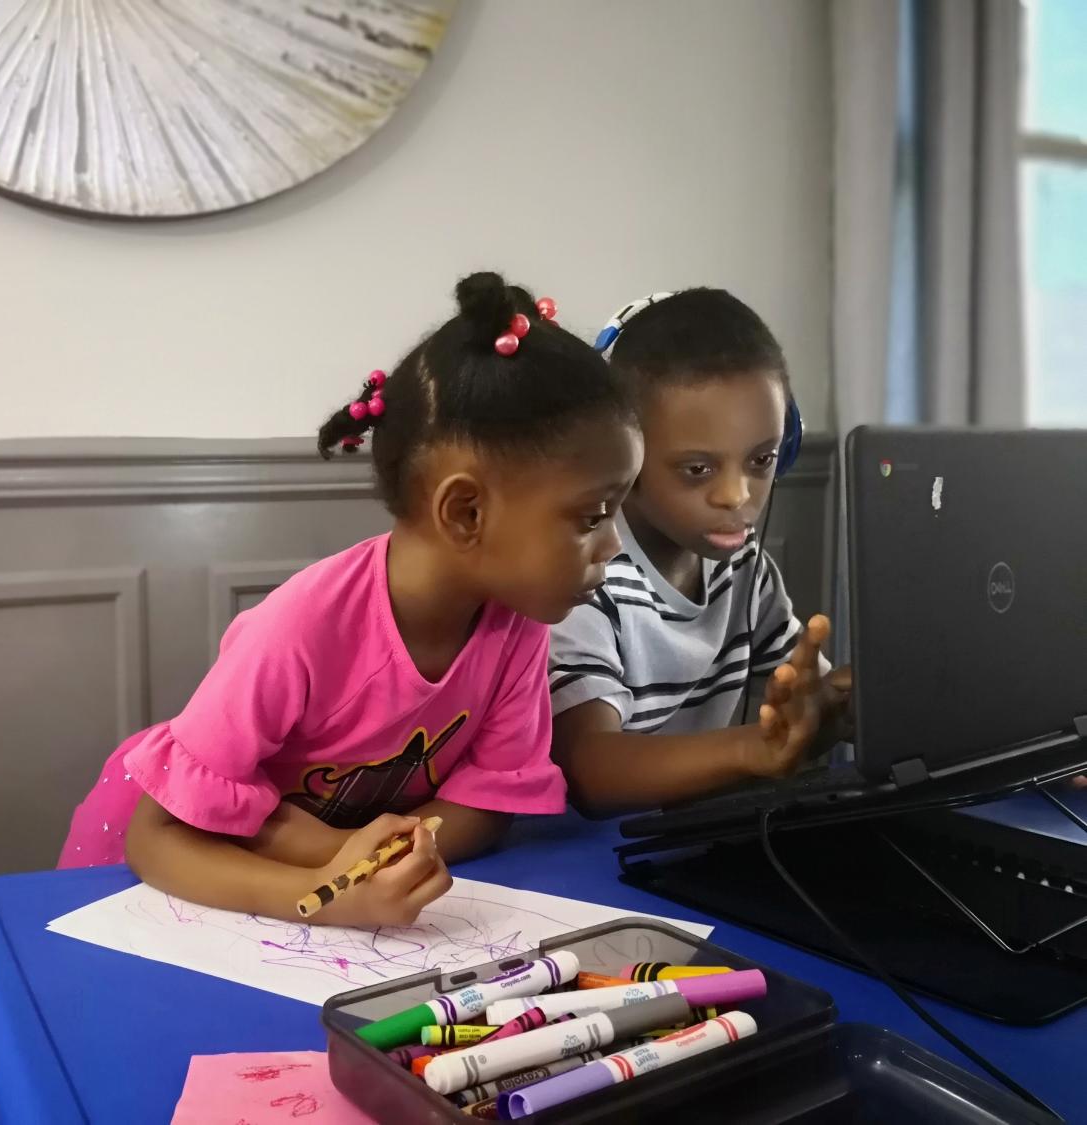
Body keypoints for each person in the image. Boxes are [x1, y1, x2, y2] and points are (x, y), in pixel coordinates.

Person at [58, 272, 643, 925]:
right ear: (465, 511)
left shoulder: (519, 630)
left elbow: (487, 802)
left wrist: (367, 858)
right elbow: (157, 836)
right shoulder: (298, 628)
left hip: (322, 878)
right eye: (592, 517)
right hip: (178, 873)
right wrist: (330, 893)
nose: (614, 545)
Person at [550, 288, 850, 814]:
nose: (737, 496)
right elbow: (590, 770)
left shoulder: (743, 567)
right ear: (624, 455)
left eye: (761, 460)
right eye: (698, 470)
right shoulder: (584, 576)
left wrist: (846, 703)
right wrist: (749, 749)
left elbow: (806, 706)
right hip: (586, 860)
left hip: (687, 838)